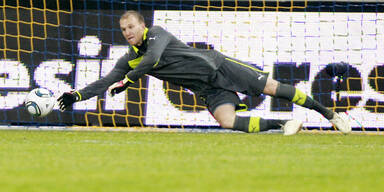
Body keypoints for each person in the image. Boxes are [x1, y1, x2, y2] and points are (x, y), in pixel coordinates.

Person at [58, 10, 351, 135]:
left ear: (142, 25)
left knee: (275, 88)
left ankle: (329, 114)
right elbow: (106, 81)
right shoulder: (129, 60)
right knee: (227, 121)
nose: (127, 33)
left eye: (131, 27)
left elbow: (153, 60)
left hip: (219, 66)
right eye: (123, 30)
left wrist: (128, 81)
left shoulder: (157, 35)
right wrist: (76, 94)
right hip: (208, 89)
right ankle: (285, 123)